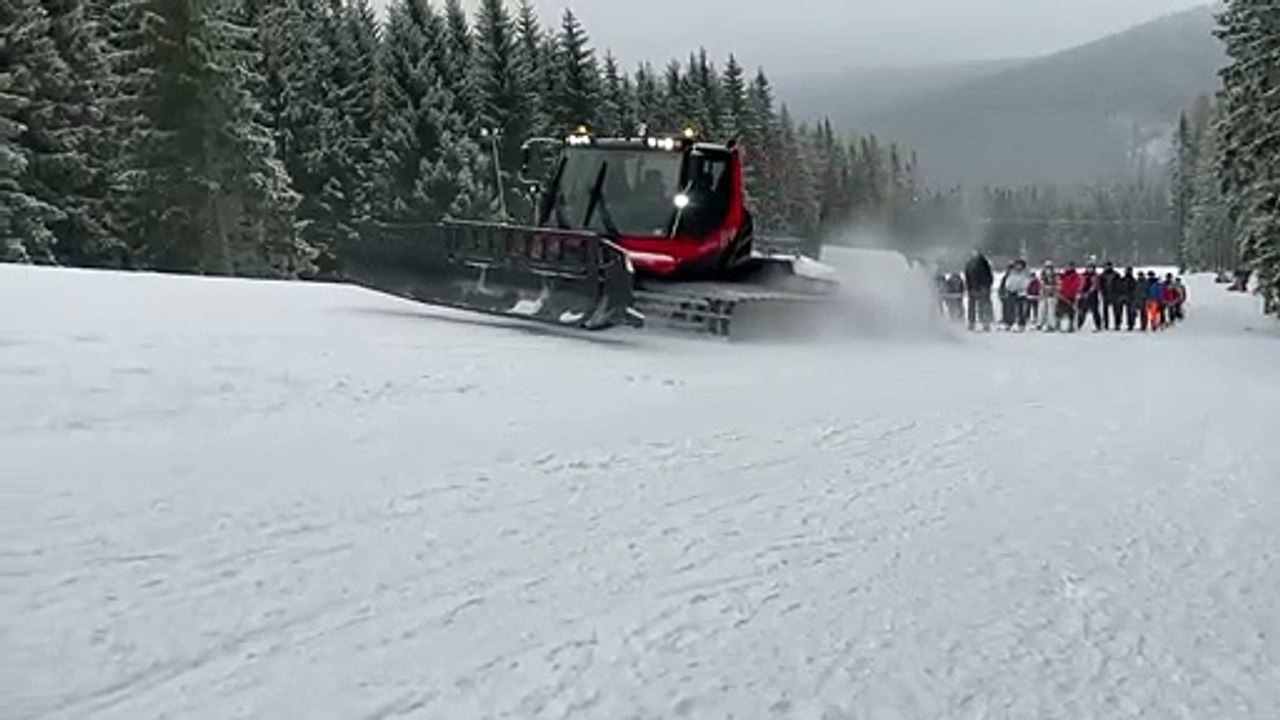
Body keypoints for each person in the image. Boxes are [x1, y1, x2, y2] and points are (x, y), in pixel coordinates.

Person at [963, 249, 994, 331]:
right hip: (972, 287)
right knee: (972, 306)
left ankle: (985, 323)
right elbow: (967, 276)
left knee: (983, 305)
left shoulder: (984, 263)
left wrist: (987, 285)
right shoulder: (969, 264)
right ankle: (971, 323)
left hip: (983, 287)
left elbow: (989, 275)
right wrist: (969, 287)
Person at [1056, 262, 1084, 332]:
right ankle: (1058, 325)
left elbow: (1078, 285)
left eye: (1071, 266)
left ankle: (1071, 326)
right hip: (1062, 296)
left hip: (1071, 296)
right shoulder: (1063, 275)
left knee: (1071, 312)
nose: (1070, 268)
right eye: (1069, 266)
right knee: (1059, 311)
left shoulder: (1076, 276)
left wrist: (1076, 293)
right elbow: (1059, 284)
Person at [1078, 262, 1103, 331]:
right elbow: (1080, 284)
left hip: (1093, 296)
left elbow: (1095, 285)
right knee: (1082, 312)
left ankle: (1098, 326)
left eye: (1091, 268)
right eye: (1089, 267)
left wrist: (1089, 292)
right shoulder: (1083, 275)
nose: (1090, 269)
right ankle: (1078, 325)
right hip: (1083, 296)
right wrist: (1081, 293)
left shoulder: (1095, 276)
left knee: (1095, 312)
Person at [1098, 262, 1121, 330]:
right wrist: (1102, 292)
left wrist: (1118, 293)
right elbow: (1100, 285)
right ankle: (1106, 324)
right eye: (1107, 266)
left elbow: (1119, 284)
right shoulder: (1102, 275)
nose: (1108, 267)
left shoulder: (1116, 275)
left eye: (1109, 266)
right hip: (1106, 294)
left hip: (1114, 295)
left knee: (1116, 311)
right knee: (1105, 311)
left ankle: (1117, 324)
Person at [1037, 262, 1059, 331]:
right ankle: (1040, 323)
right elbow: (1040, 285)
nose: (1048, 270)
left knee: (1051, 310)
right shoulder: (1042, 276)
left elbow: (1058, 285)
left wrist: (1052, 288)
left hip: (1052, 295)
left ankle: (1051, 324)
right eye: (1047, 268)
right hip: (1044, 295)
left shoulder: (1055, 276)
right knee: (1041, 309)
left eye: (1049, 268)